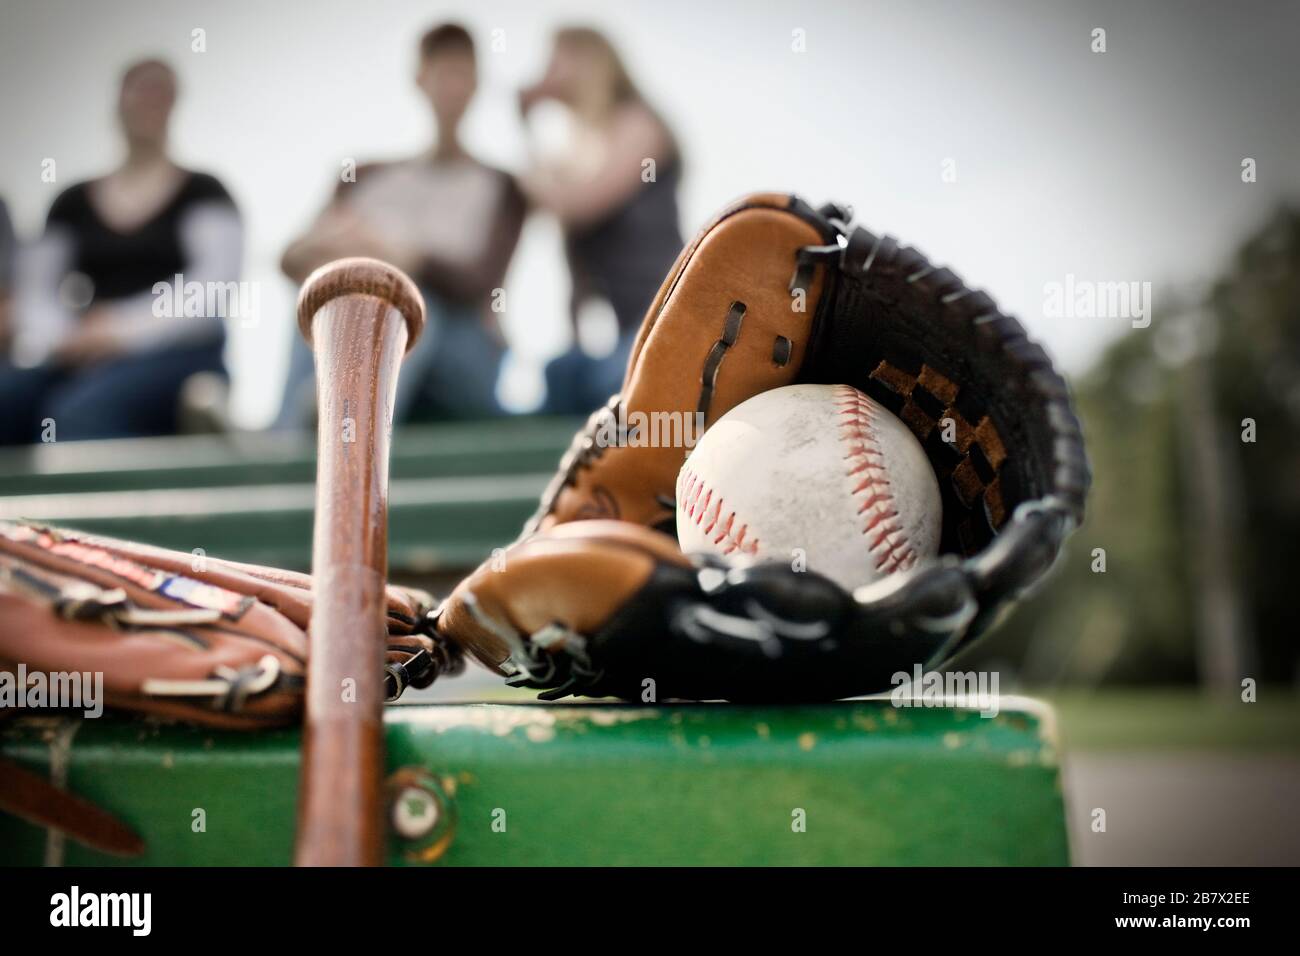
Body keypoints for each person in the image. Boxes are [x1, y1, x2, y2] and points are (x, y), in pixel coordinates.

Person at [276, 23, 525, 428]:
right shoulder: (364, 175)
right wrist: (339, 250)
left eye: (461, 72)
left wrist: (396, 256)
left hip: (459, 358)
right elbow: (292, 259)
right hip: (352, 337)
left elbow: (478, 281)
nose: (451, 86)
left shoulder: (502, 186)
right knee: (327, 298)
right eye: (443, 71)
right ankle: (292, 430)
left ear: (477, 83)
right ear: (420, 79)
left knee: (409, 303)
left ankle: (337, 412)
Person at [0, 59, 240, 446]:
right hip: (82, 353)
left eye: (159, 92)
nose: (147, 102)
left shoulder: (205, 193)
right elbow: (36, 289)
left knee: (80, 415)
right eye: (139, 90)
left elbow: (211, 286)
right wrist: (62, 337)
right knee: (10, 400)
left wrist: (120, 330)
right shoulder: (71, 202)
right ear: (118, 101)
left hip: (179, 354)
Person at [519, 27, 684, 415]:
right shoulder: (577, 148)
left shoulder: (638, 125)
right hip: (621, 336)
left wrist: (527, 132)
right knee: (561, 375)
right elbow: (571, 251)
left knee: (614, 386)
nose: (547, 71)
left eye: (557, 59)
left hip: (663, 325)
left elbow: (577, 204)